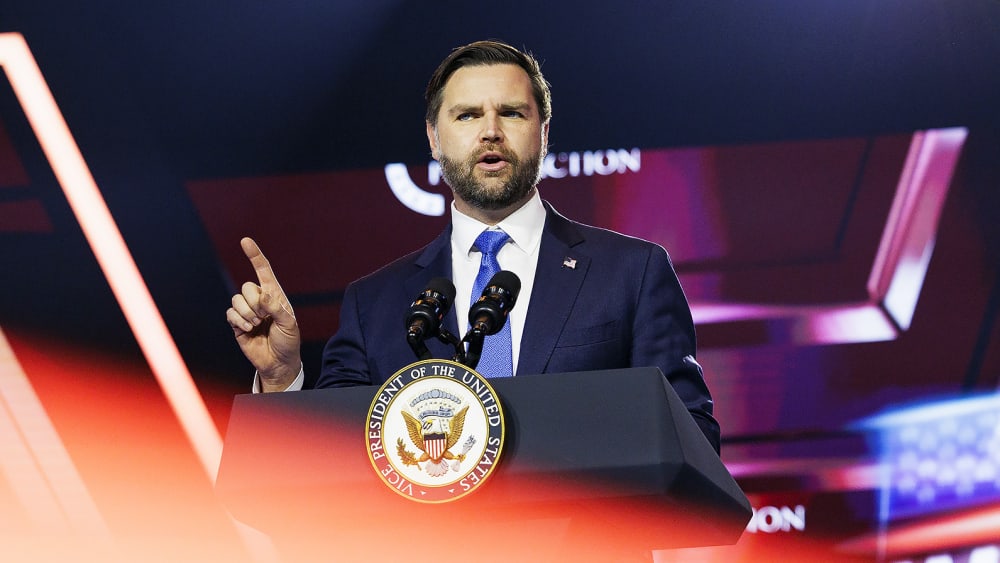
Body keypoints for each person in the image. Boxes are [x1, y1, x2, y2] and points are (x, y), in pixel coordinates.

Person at [226, 40, 720, 452]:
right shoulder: (372, 304)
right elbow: (328, 461)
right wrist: (283, 377)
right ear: (433, 138)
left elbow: (692, 442)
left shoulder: (631, 274)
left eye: (511, 112)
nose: (490, 131)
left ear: (543, 133)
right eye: (466, 116)